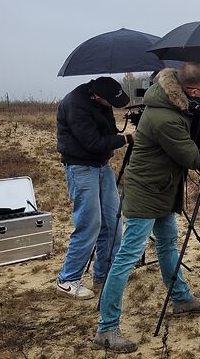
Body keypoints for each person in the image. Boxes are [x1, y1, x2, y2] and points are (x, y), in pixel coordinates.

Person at [94, 62, 200, 353]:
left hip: (162, 190)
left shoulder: (175, 107)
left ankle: (181, 299)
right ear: (190, 89)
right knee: (127, 256)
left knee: (167, 245)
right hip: (147, 193)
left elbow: (190, 140)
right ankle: (106, 329)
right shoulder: (166, 117)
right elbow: (194, 158)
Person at [56, 77, 134, 299]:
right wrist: (128, 139)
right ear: (99, 97)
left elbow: (108, 132)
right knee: (89, 224)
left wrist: (120, 136)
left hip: (102, 166)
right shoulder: (74, 104)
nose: (112, 107)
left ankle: (105, 275)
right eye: (110, 103)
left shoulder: (101, 99)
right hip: (81, 167)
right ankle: (67, 279)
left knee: (112, 222)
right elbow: (93, 142)